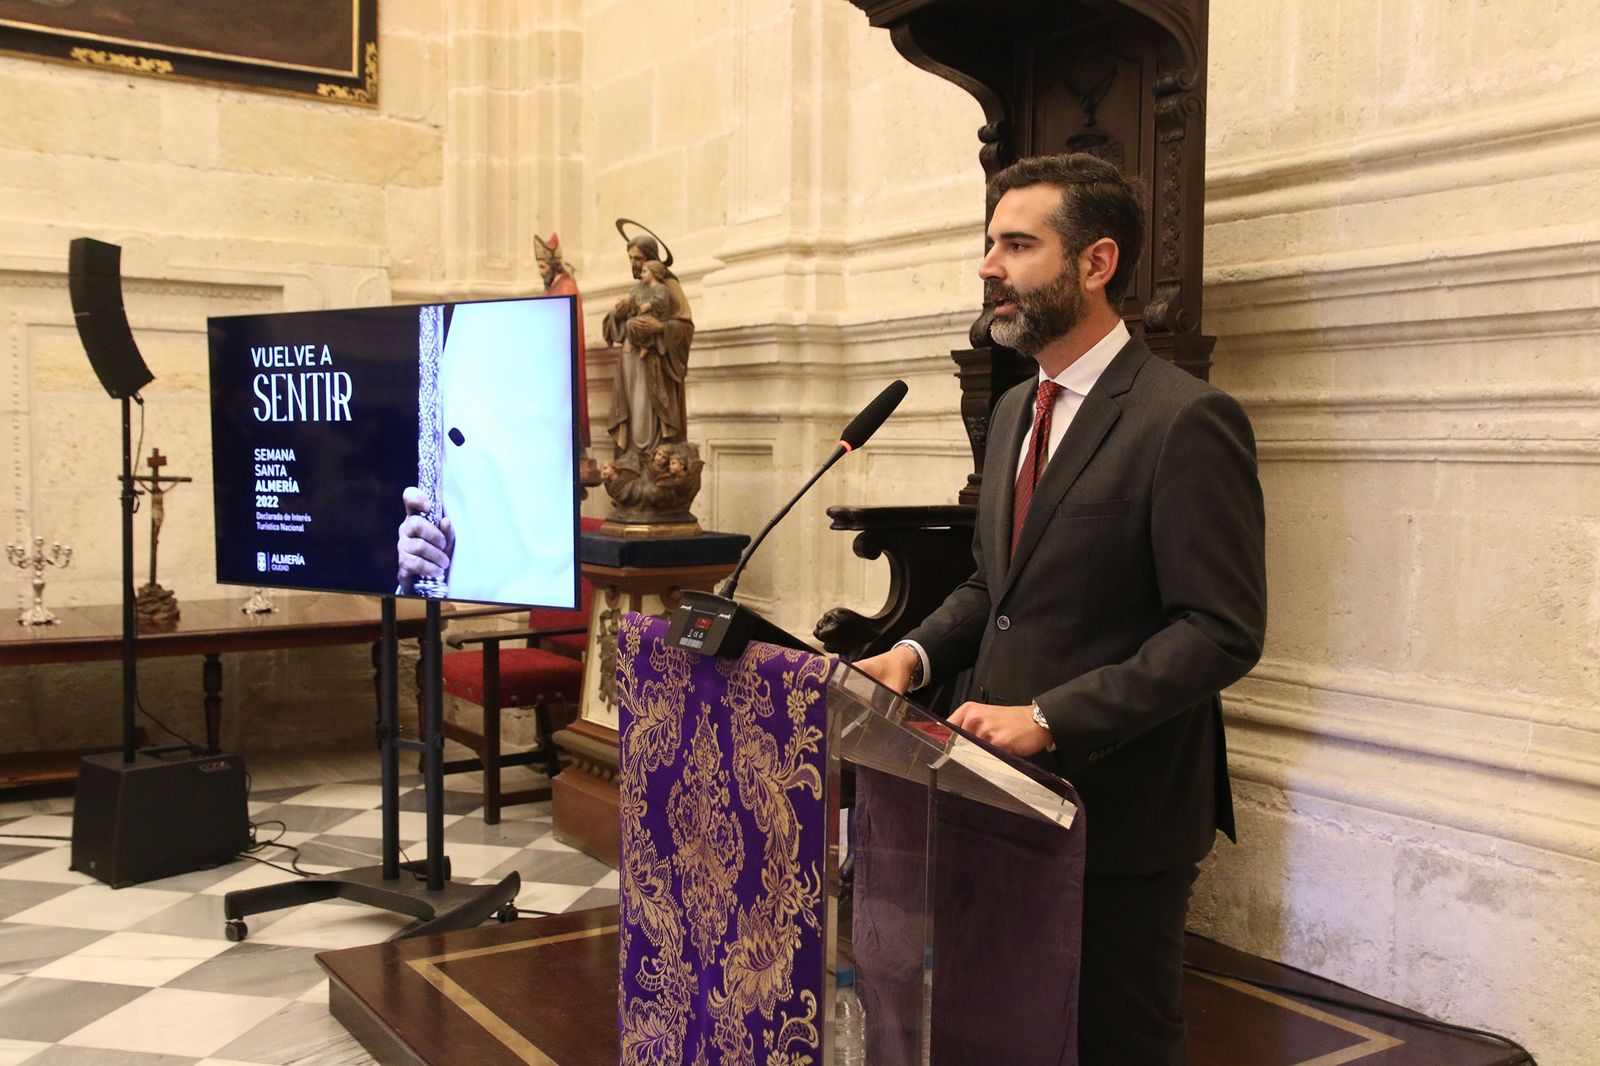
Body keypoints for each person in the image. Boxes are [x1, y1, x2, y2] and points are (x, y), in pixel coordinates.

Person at [854, 153, 1267, 1065]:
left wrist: (1050, 718)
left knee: (1115, 1040)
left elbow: (1222, 631)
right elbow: (996, 587)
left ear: (1095, 263)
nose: (988, 266)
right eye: (989, 243)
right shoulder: (1013, 412)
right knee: (1003, 1030)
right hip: (993, 795)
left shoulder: (1184, 420)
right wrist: (912, 658)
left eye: (1016, 244)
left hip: (1117, 809)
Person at [601, 234, 694, 459]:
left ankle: (653, 457)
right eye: (631, 258)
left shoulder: (669, 287)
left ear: (651, 259)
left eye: (639, 259)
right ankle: (634, 456)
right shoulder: (638, 289)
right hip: (630, 362)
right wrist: (617, 314)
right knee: (633, 410)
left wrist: (660, 328)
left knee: (647, 409)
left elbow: (685, 327)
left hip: (654, 364)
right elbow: (616, 327)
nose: (634, 264)